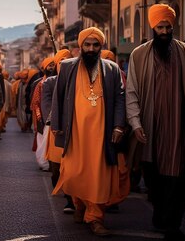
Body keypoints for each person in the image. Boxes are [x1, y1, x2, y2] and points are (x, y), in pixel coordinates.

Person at [126, 4, 185, 240]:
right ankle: (160, 215)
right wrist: (135, 123)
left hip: (179, 127)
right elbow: (132, 91)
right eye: (160, 27)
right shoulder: (139, 54)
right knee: (153, 177)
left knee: (178, 175)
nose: (164, 31)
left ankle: (172, 223)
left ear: (174, 26)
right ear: (152, 27)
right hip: (150, 127)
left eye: (168, 27)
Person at [51, 28, 128, 236]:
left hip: (102, 135)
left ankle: (95, 218)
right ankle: (80, 204)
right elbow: (58, 96)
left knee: (98, 177)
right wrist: (56, 125)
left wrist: (119, 125)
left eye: (96, 45)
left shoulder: (112, 69)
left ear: (101, 47)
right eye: (88, 45)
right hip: (75, 134)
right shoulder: (67, 67)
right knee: (75, 174)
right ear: (80, 47)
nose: (91, 49)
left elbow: (120, 98)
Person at [42, 49, 74, 213]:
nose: (65, 64)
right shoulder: (50, 82)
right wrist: (54, 122)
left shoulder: (77, 80)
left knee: (71, 167)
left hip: (74, 132)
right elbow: (47, 104)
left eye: (69, 60)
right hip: (57, 130)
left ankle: (71, 200)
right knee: (56, 169)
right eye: (61, 62)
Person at [31, 57, 54, 170]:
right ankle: (43, 162)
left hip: (54, 117)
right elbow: (35, 102)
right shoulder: (40, 83)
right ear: (44, 68)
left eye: (54, 65)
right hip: (42, 117)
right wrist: (40, 117)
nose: (52, 68)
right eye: (50, 65)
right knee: (43, 141)